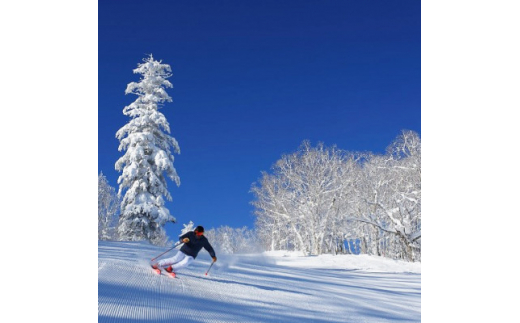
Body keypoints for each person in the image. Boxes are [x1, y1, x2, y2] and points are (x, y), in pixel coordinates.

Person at [151, 226, 217, 277]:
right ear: (195, 231)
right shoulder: (190, 234)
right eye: (198, 233)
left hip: (192, 254)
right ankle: (158, 264)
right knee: (175, 259)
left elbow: (209, 248)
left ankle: (171, 268)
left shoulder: (204, 240)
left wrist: (213, 256)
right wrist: (183, 240)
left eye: (201, 233)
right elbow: (181, 238)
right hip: (184, 250)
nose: (199, 235)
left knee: (185, 262)